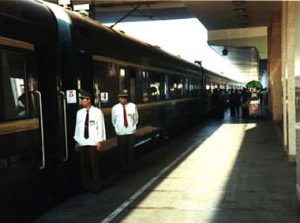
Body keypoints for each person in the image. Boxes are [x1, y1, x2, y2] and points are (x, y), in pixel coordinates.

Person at [74, 89, 106, 192]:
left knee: (94, 165)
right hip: (83, 142)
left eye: (82, 99)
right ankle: (86, 185)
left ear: (88, 100)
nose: (81, 102)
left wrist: (99, 141)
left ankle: (97, 185)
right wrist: (77, 141)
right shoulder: (79, 113)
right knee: (84, 165)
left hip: (93, 142)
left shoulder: (97, 112)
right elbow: (78, 128)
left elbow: (101, 127)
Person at [111, 90, 139, 173]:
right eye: (121, 98)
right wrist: (117, 129)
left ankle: (131, 166)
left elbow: (136, 118)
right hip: (121, 132)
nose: (123, 100)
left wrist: (133, 127)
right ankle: (122, 167)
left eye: (125, 98)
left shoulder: (132, 106)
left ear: (127, 99)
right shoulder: (115, 108)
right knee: (121, 150)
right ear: (119, 99)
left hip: (130, 131)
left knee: (131, 150)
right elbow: (113, 120)